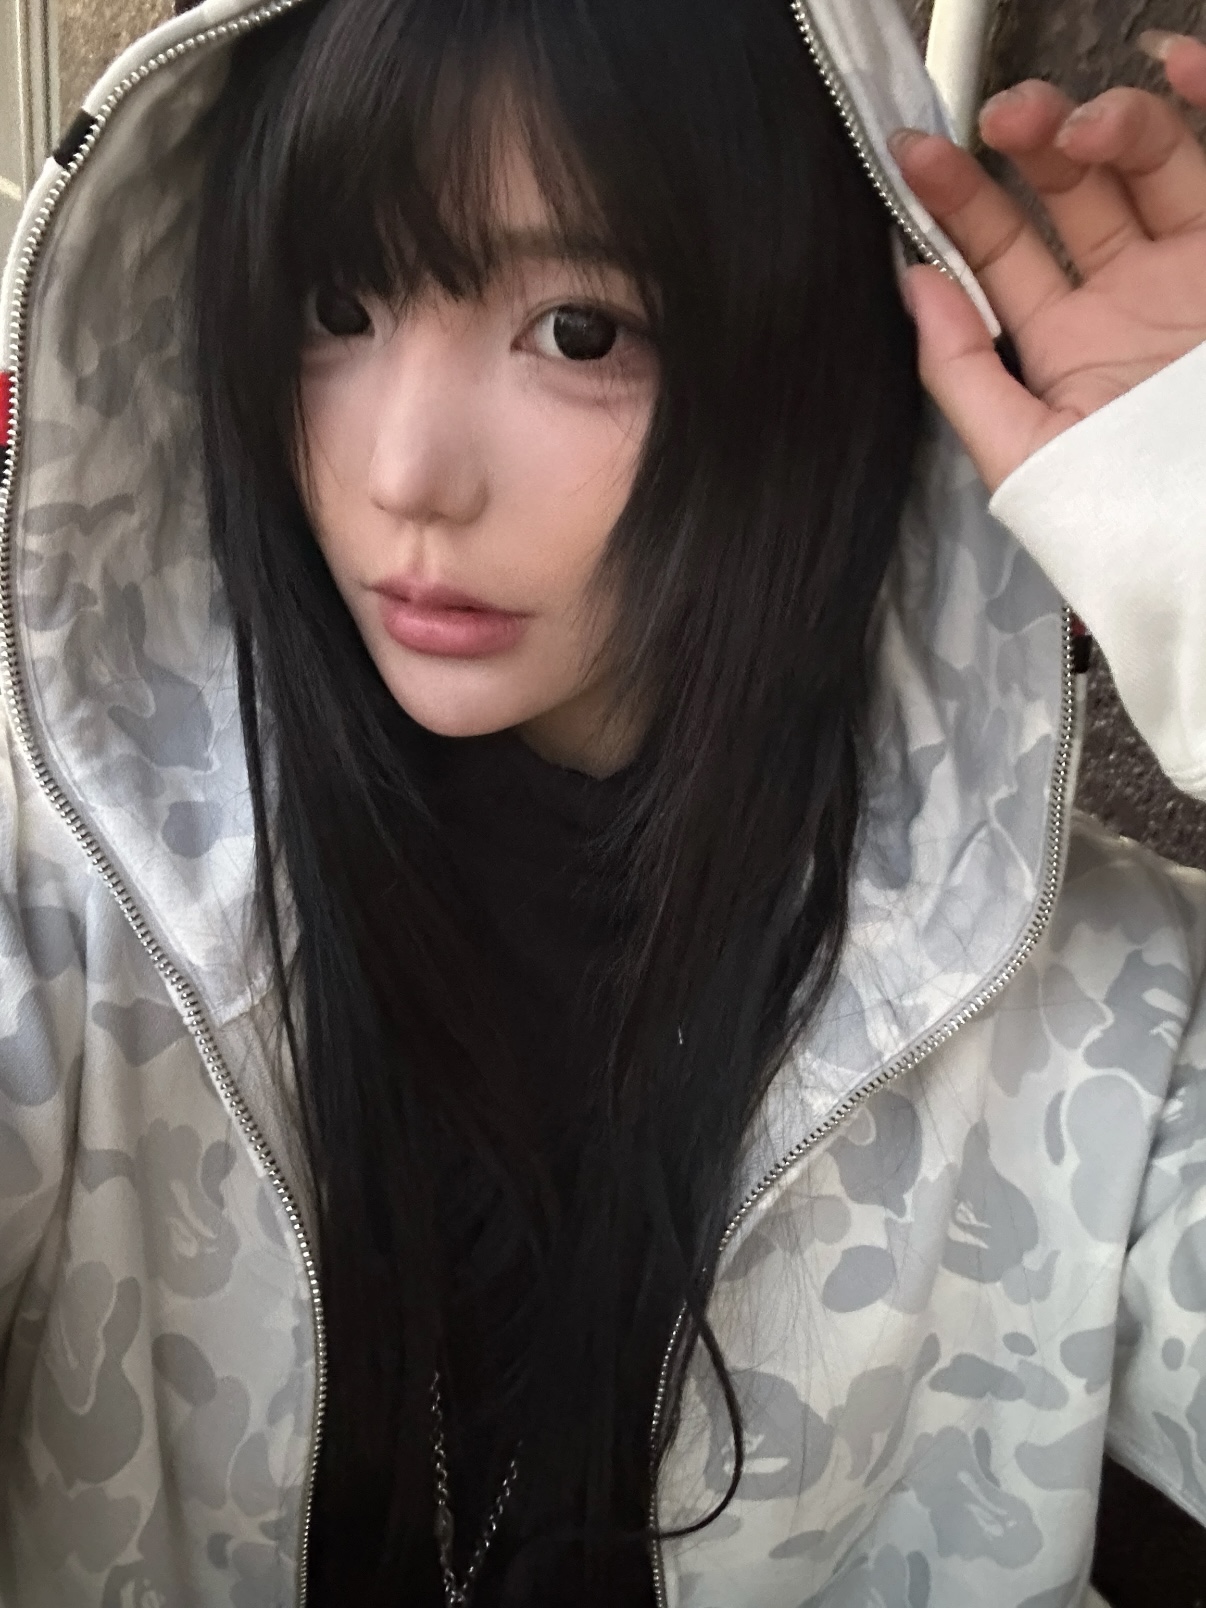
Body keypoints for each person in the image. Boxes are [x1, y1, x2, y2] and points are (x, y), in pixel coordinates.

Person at [0, 0, 1204, 1602]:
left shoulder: (1102, 1013)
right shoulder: (81, 907)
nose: (405, 473)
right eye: (338, 305)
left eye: (579, 333)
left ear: (815, 359)